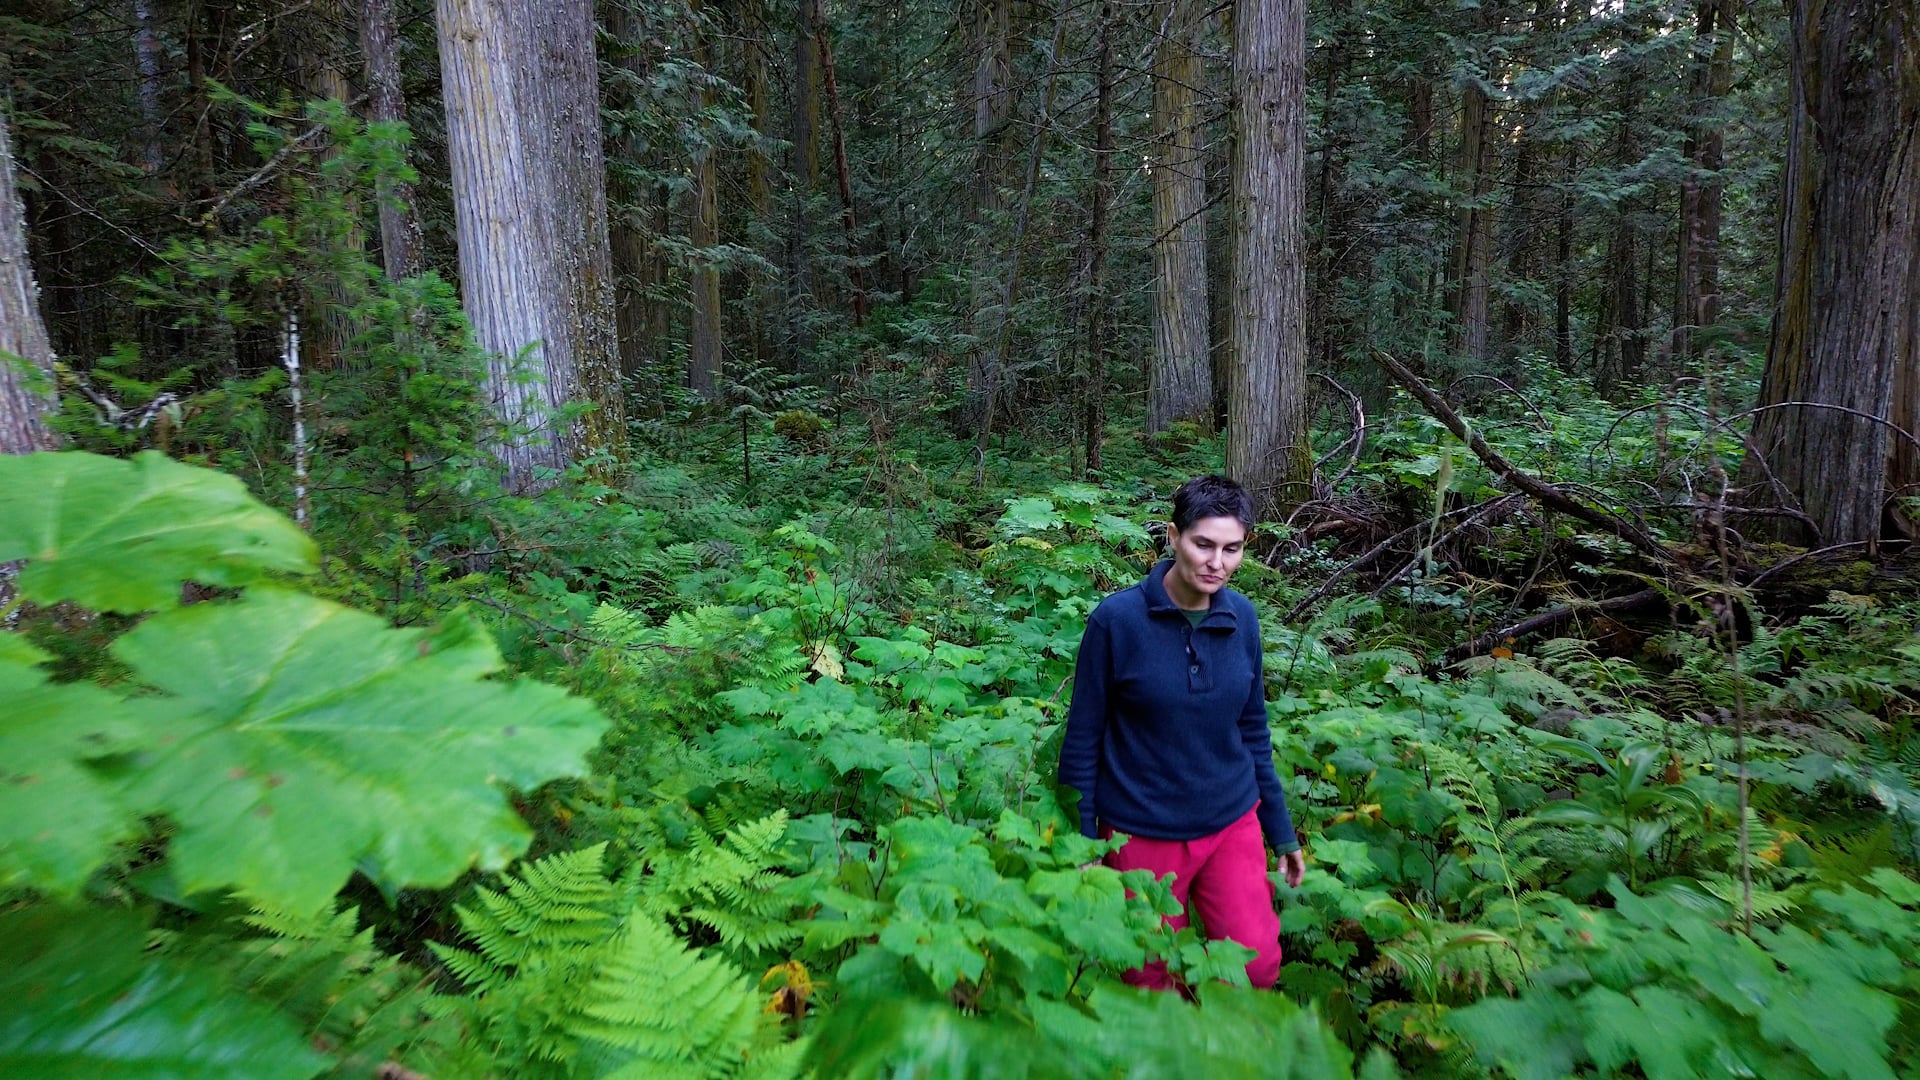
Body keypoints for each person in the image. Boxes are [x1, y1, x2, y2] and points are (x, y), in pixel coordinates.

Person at [1057, 474, 1304, 991]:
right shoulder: (1116, 622)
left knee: (1253, 968)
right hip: (1140, 829)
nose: (1217, 563)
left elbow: (1254, 730)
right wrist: (1084, 847)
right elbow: (1082, 740)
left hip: (1229, 822)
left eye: (1232, 549)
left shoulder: (1243, 619)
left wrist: (1279, 831)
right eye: (1204, 544)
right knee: (1147, 974)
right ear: (1173, 537)